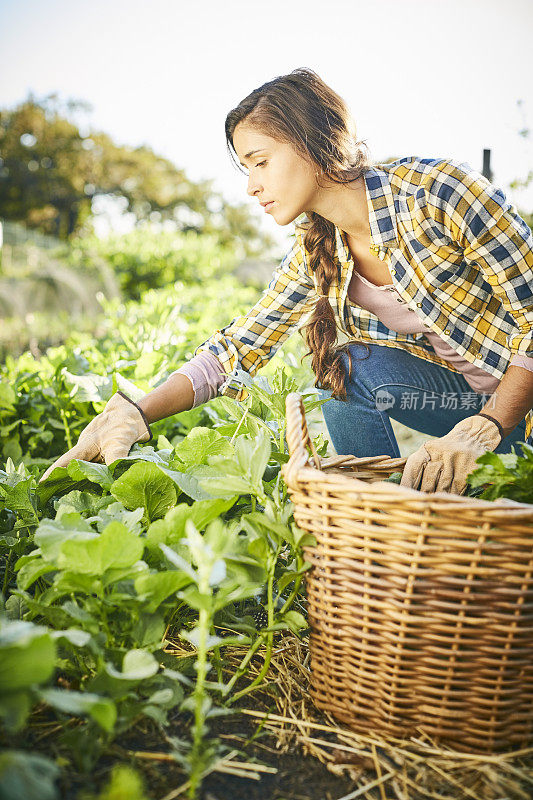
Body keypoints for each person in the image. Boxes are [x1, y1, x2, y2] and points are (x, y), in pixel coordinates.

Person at [40, 68, 533, 495]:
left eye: (260, 161)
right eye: (245, 168)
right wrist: (136, 412)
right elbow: (240, 347)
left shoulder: (438, 194)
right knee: (343, 369)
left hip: (514, 410)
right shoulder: (318, 248)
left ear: (314, 143)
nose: (252, 185)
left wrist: (488, 425)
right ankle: (383, 521)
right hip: (463, 406)